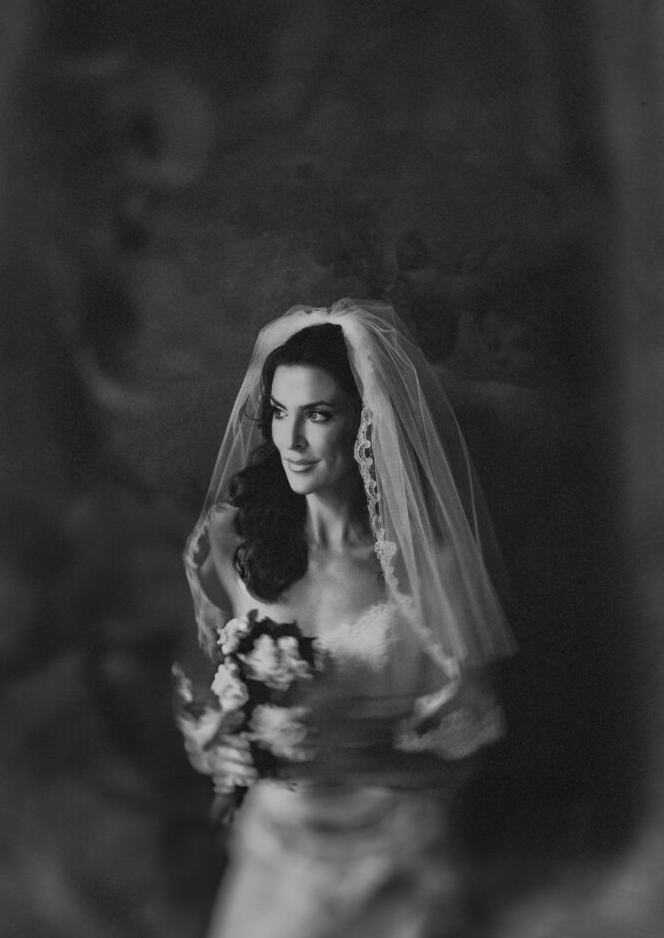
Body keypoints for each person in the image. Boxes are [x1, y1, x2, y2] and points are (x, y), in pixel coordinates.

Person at [175, 299, 515, 938]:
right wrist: (220, 734)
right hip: (277, 862)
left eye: (318, 415)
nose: (291, 442)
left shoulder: (425, 567)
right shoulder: (237, 541)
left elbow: (477, 727)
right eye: (279, 413)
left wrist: (360, 737)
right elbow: (216, 675)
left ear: (367, 422)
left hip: (390, 863)